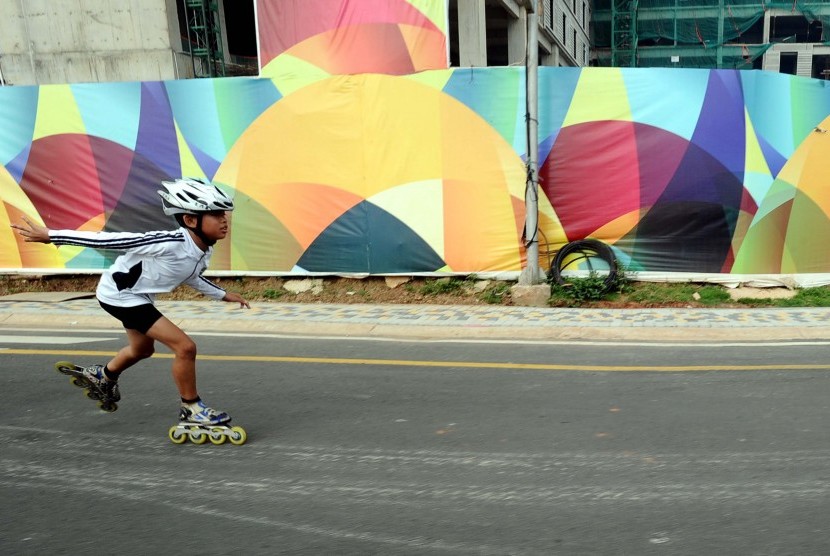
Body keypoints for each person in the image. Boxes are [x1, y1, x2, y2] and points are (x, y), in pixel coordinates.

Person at [11, 177, 250, 426]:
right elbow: (110, 241)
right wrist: (52, 235)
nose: (224, 220)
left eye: (224, 214)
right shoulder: (168, 242)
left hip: (138, 295)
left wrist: (223, 294)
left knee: (142, 350)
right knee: (185, 347)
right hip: (120, 295)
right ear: (191, 220)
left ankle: (103, 376)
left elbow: (191, 277)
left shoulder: (202, 249)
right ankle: (191, 409)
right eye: (215, 214)